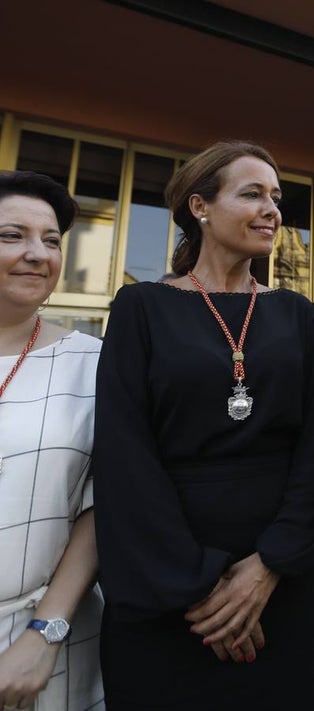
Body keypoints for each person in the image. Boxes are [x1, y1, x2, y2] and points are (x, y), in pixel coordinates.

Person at [92, 141, 314, 710]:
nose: (272, 208)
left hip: (281, 566)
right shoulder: (141, 308)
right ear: (199, 206)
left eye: (276, 196)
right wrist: (199, 586)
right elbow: (124, 453)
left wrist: (270, 563)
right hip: (164, 571)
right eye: (252, 193)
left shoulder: (296, 313)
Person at [0, 172, 103, 710]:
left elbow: (104, 503)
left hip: (46, 642)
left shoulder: (95, 363)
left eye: (52, 240)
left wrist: (45, 632)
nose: (37, 253)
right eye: (11, 235)